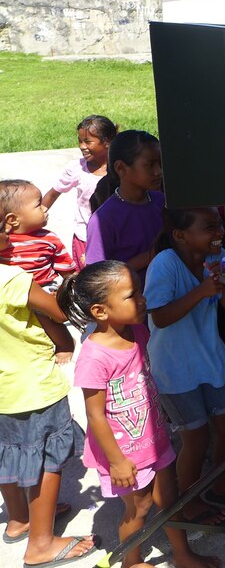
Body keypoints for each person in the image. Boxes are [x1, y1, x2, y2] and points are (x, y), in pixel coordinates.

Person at [59, 261, 222, 568]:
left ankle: (183, 555)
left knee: (169, 499)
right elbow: (95, 415)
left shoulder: (137, 332)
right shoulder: (94, 356)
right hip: (122, 453)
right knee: (140, 507)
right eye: (132, 295)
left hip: (154, 438)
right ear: (100, 311)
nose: (143, 299)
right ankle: (130, 561)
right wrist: (117, 461)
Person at [0, 228, 100, 567]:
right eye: (2, 227)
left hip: (3, 388)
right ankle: (41, 543)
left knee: (10, 451)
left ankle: (20, 519)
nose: (10, 234)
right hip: (31, 386)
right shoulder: (10, 278)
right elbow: (58, 313)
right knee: (46, 460)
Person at [143, 207, 225, 523]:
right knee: (196, 439)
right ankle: (190, 499)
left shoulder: (219, 256)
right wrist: (201, 291)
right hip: (175, 368)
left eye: (219, 226)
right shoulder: (165, 264)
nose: (219, 233)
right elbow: (159, 316)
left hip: (211, 360)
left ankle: (222, 482)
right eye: (209, 227)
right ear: (181, 235)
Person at [0, 180, 78, 363]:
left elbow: (65, 267)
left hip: (44, 286)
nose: (45, 208)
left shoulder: (48, 238)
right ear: (12, 219)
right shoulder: (4, 241)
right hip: (14, 289)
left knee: (46, 316)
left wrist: (69, 288)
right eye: (38, 205)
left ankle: (65, 343)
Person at [85, 130, 165, 281]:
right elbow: (96, 278)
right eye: (150, 165)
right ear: (121, 168)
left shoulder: (162, 202)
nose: (159, 172)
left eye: (161, 164)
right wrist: (147, 258)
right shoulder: (103, 220)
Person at [41, 114, 117, 268]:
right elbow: (53, 193)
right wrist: (38, 215)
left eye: (88, 141)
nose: (82, 146)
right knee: (88, 278)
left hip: (117, 234)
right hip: (85, 237)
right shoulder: (77, 169)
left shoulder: (120, 167)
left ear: (107, 141)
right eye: (80, 141)